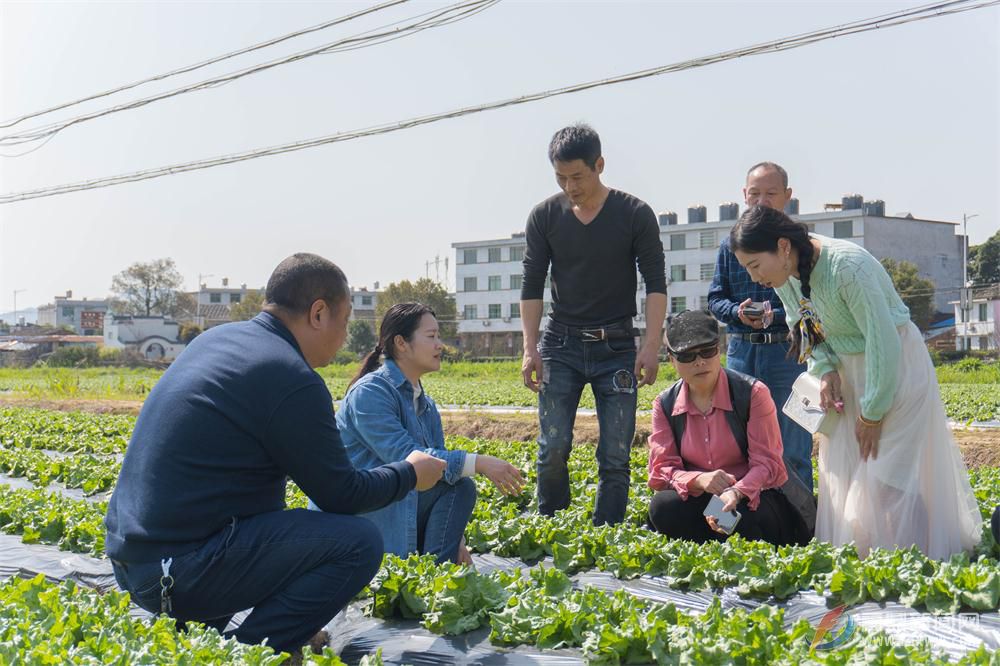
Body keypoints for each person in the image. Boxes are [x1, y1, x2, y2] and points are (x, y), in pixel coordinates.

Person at [104, 254, 447, 656]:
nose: (345, 333)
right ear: (318, 313)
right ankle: (247, 652)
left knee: (280, 525)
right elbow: (343, 495)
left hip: (135, 559)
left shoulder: (219, 341)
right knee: (357, 543)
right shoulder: (291, 378)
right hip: (176, 571)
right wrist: (408, 473)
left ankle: (219, 640)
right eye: (345, 319)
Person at [729, 205, 981, 559]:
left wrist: (873, 413)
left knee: (885, 480)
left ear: (783, 247)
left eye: (755, 265)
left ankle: (920, 560)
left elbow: (883, 341)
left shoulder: (847, 267)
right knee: (845, 476)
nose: (755, 278)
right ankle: (870, 564)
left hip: (895, 373)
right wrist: (826, 368)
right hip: (847, 381)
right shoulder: (785, 278)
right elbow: (802, 328)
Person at [520, 123, 667, 526]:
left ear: (599, 165)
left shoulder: (634, 214)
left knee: (616, 452)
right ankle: (554, 528)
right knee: (552, 446)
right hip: (559, 345)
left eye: (578, 176)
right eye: (561, 178)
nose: (570, 186)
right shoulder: (545, 216)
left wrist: (652, 344)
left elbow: (656, 283)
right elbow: (532, 284)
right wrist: (530, 347)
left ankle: (606, 534)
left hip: (616, 345)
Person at [310, 302, 524, 565]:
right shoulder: (370, 393)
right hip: (358, 513)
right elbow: (407, 458)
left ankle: (433, 576)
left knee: (457, 486)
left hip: (392, 504)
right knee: (461, 485)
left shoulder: (426, 404)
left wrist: (457, 541)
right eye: (431, 337)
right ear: (401, 343)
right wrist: (479, 462)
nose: (439, 345)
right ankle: (430, 577)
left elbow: (439, 474)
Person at [647, 309, 800, 545]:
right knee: (663, 508)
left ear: (719, 349)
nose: (700, 362)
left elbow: (768, 464)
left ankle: (724, 546)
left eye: (707, 351)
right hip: (702, 497)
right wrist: (699, 479)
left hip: (752, 497)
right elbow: (661, 471)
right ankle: (710, 548)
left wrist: (735, 492)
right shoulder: (665, 404)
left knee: (743, 517)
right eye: (687, 356)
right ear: (671, 359)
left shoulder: (752, 393)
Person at [708, 162, 813, 491]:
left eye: (771, 194)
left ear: (788, 196)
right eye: (755, 194)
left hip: (790, 350)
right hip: (741, 350)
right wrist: (738, 313)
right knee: (738, 443)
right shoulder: (731, 244)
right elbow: (715, 299)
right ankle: (739, 523)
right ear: (744, 195)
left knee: (795, 444)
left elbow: (814, 304)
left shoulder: (801, 244)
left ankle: (800, 528)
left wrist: (777, 316)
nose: (761, 201)